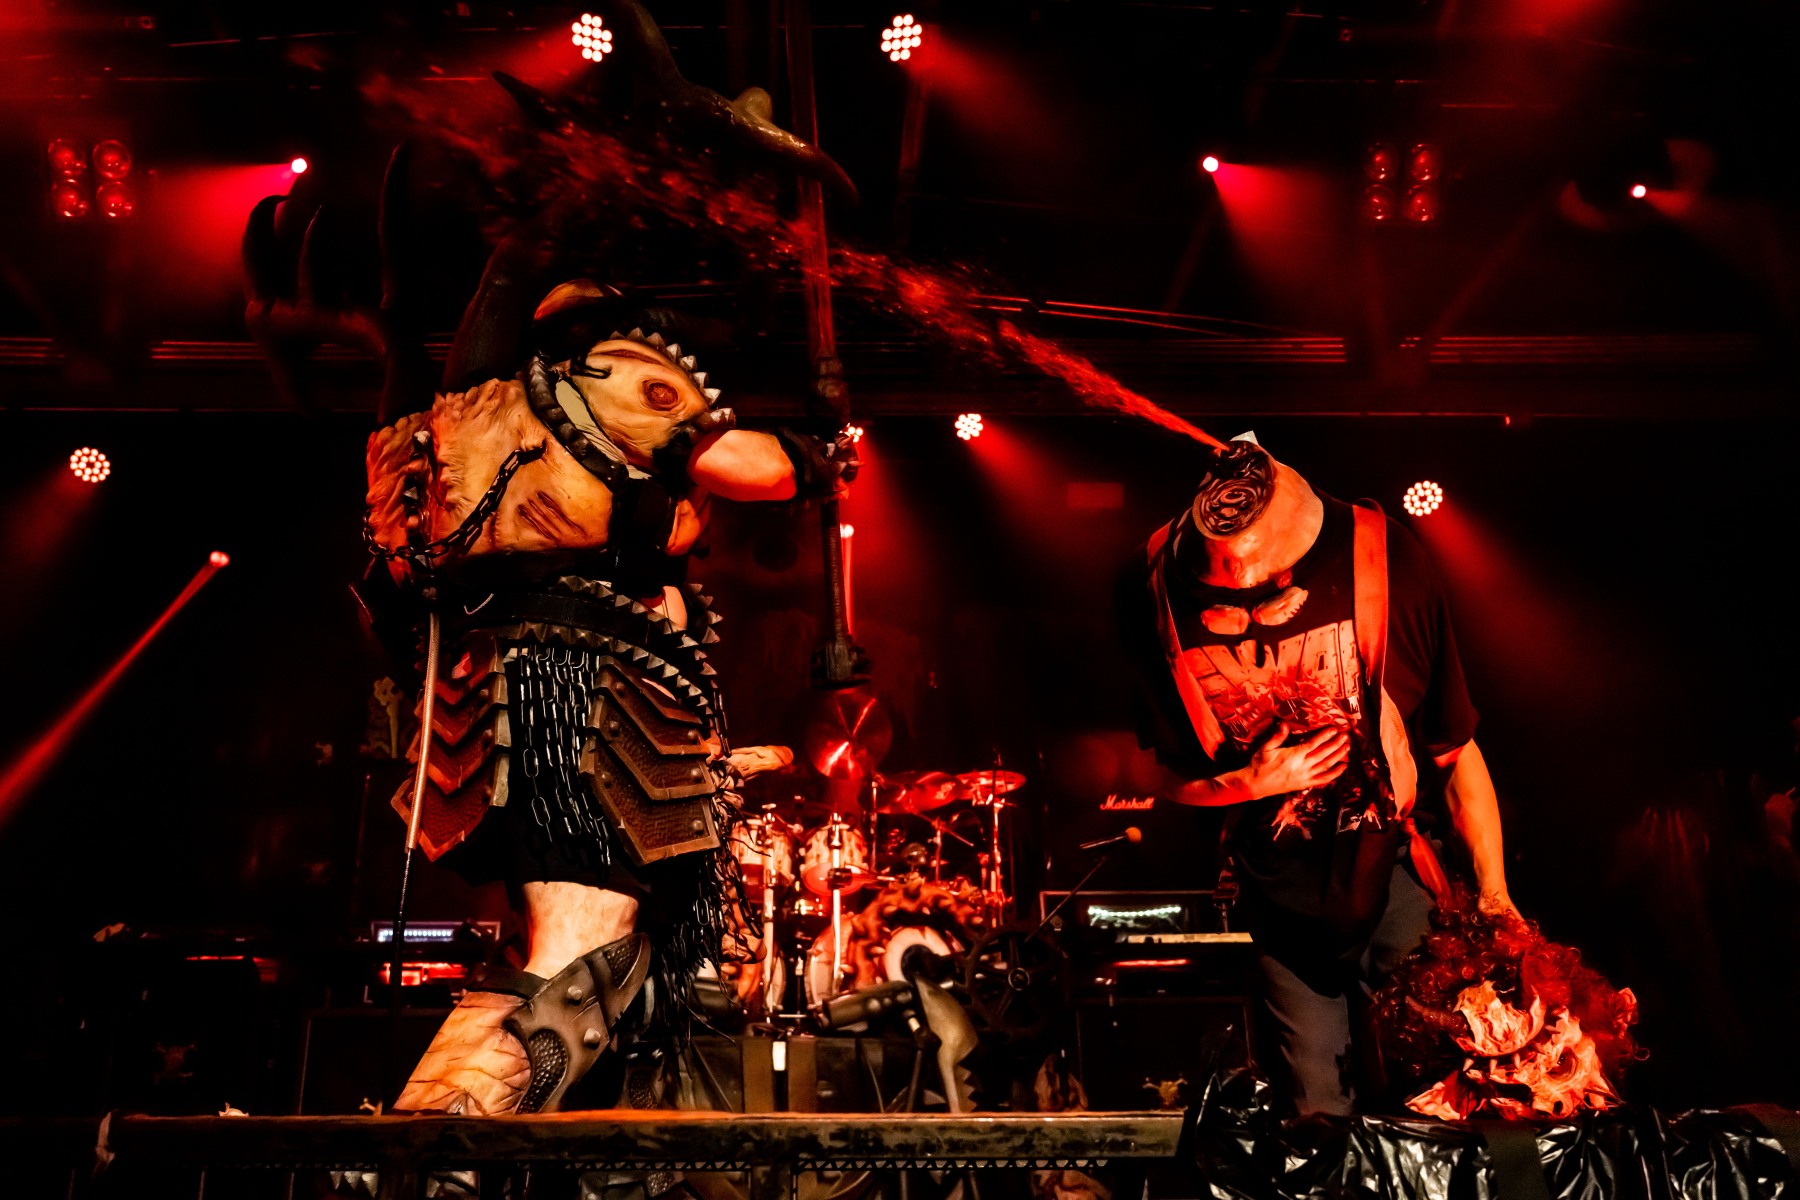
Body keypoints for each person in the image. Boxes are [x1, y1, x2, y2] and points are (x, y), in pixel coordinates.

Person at [363, 280, 854, 1117]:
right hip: (578, 698)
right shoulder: (609, 373)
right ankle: (420, 1150)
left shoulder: (476, 410)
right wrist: (825, 451)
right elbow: (755, 467)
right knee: (584, 956)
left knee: (580, 963)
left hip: (500, 695)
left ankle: (520, 1155)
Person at [1115, 434, 1513, 1116]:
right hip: (1281, 900)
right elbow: (1156, 776)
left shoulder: (1384, 558)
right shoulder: (1150, 590)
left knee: (1437, 1099)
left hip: (1392, 872)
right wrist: (1251, 782)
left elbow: (1453, 747)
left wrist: (1495, 893)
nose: (1249, 588)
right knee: (1316, 1114)